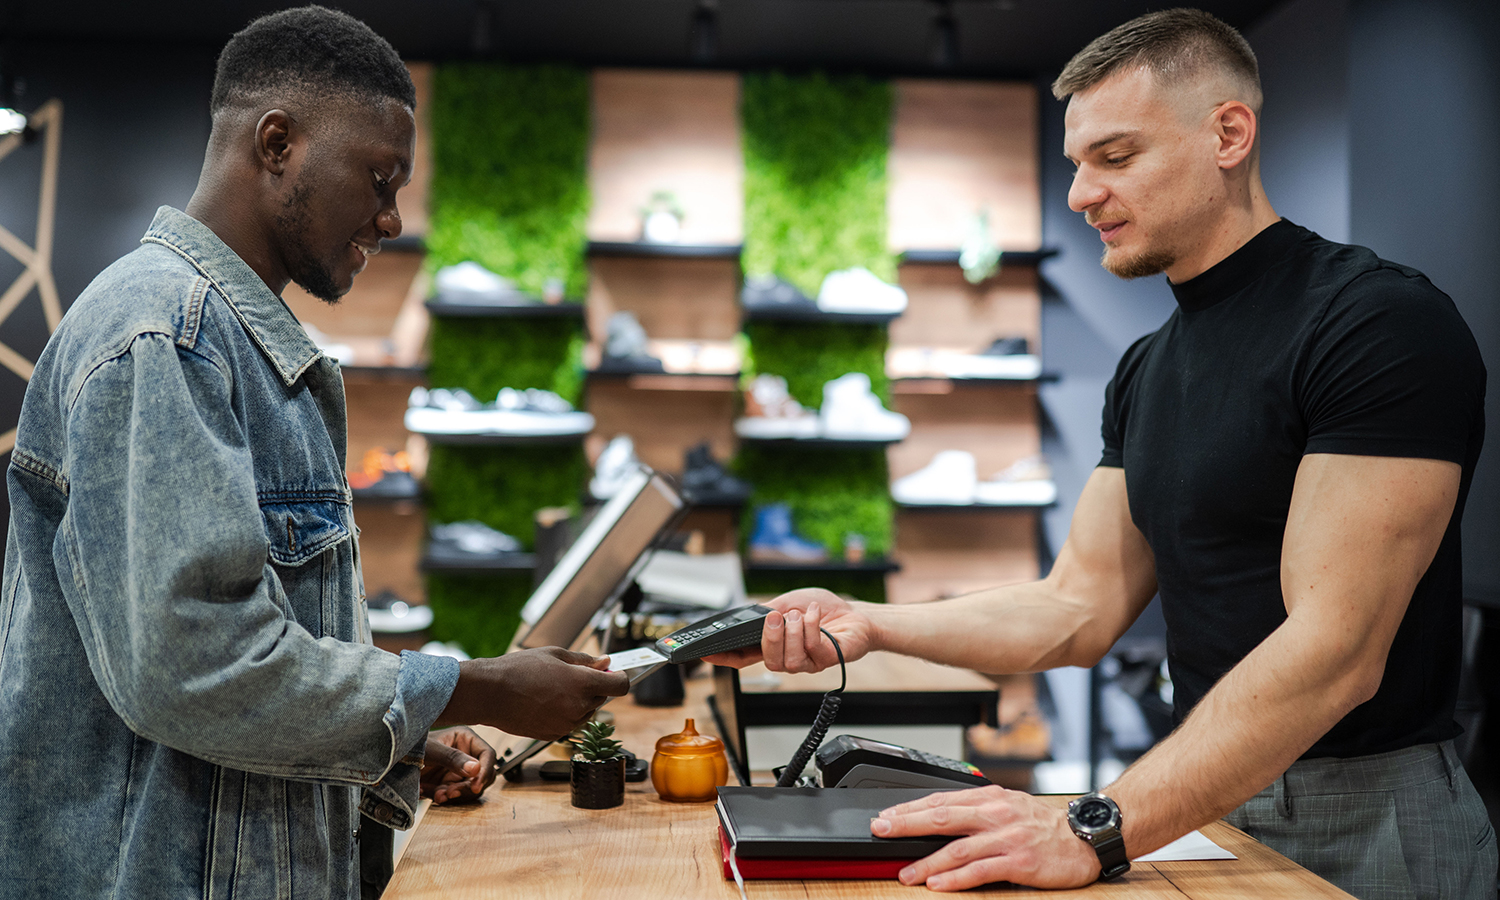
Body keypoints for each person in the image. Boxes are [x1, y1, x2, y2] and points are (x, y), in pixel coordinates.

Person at [709, 9, 1495, 899]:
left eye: (1115, 158)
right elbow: (1075, 606)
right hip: (1207, 796)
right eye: (1076, 164)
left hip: (1367, 816)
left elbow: (1335, 651)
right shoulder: (1149, 365)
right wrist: (871, 620)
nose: (1082, 194)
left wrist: (1094, 825)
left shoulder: (1375, 323)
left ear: (1228, 134)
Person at [0, 7, 629, 900]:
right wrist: (475, 688)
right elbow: (200, 668)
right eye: (379, 177)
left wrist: (387, 747)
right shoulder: (166, 338)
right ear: (277, 143)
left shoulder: (234, 342)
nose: (392, 217)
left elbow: (255, 667)